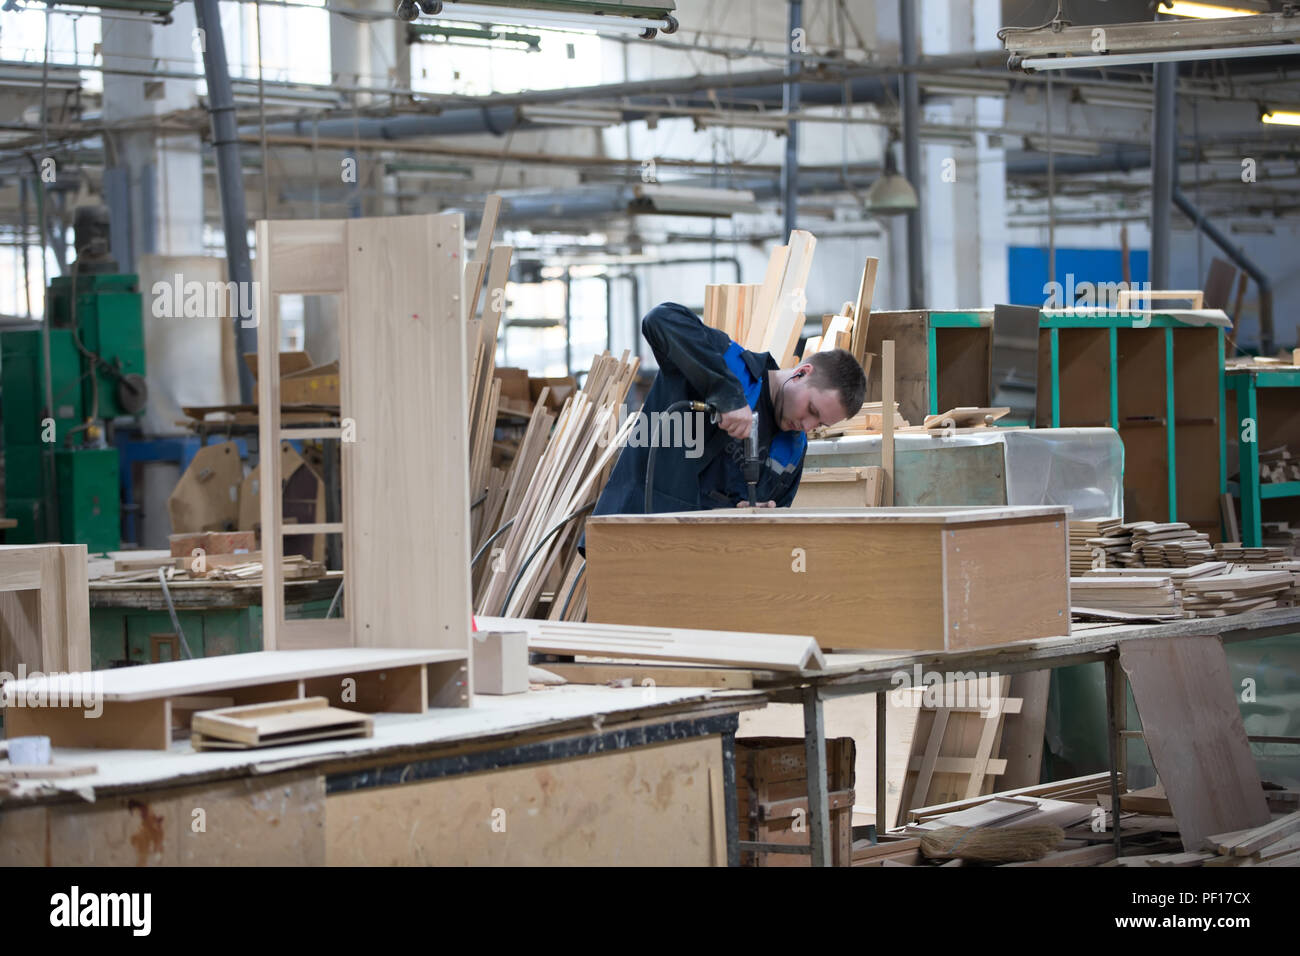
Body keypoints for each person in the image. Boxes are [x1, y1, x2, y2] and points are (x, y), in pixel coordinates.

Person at [593, 301, 868, 517]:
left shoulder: (791, 451)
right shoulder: (730, 365)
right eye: (812, 410)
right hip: (633, 528)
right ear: (802, 372)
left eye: (819, 425)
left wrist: (757, 517)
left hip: (701, 563)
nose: (807, 426)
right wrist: (725, 393)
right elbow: (659, 319)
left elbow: (775, 517)